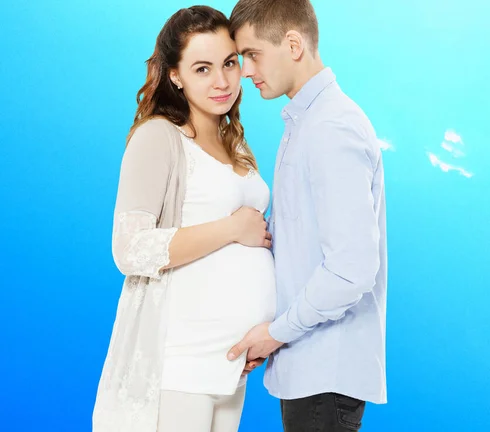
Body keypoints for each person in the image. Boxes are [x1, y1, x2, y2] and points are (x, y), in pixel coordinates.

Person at [92, 6, 275, 432]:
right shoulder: (159, 137)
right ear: (176, 75)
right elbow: (130, 249)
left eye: (230, 63)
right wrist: (232, 228)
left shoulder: (238, 148)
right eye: (203, 68)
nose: (223, 81)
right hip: (178, 364)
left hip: (231, 365)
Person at [226, 0, 388, 430]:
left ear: (293, 44)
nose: (245, 70)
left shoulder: (331, 127)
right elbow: (305, 251)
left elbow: (352, 268)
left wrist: (277, 331)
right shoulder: (308, 123)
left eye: (252, 54)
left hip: (325, 375)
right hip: (309, 369)